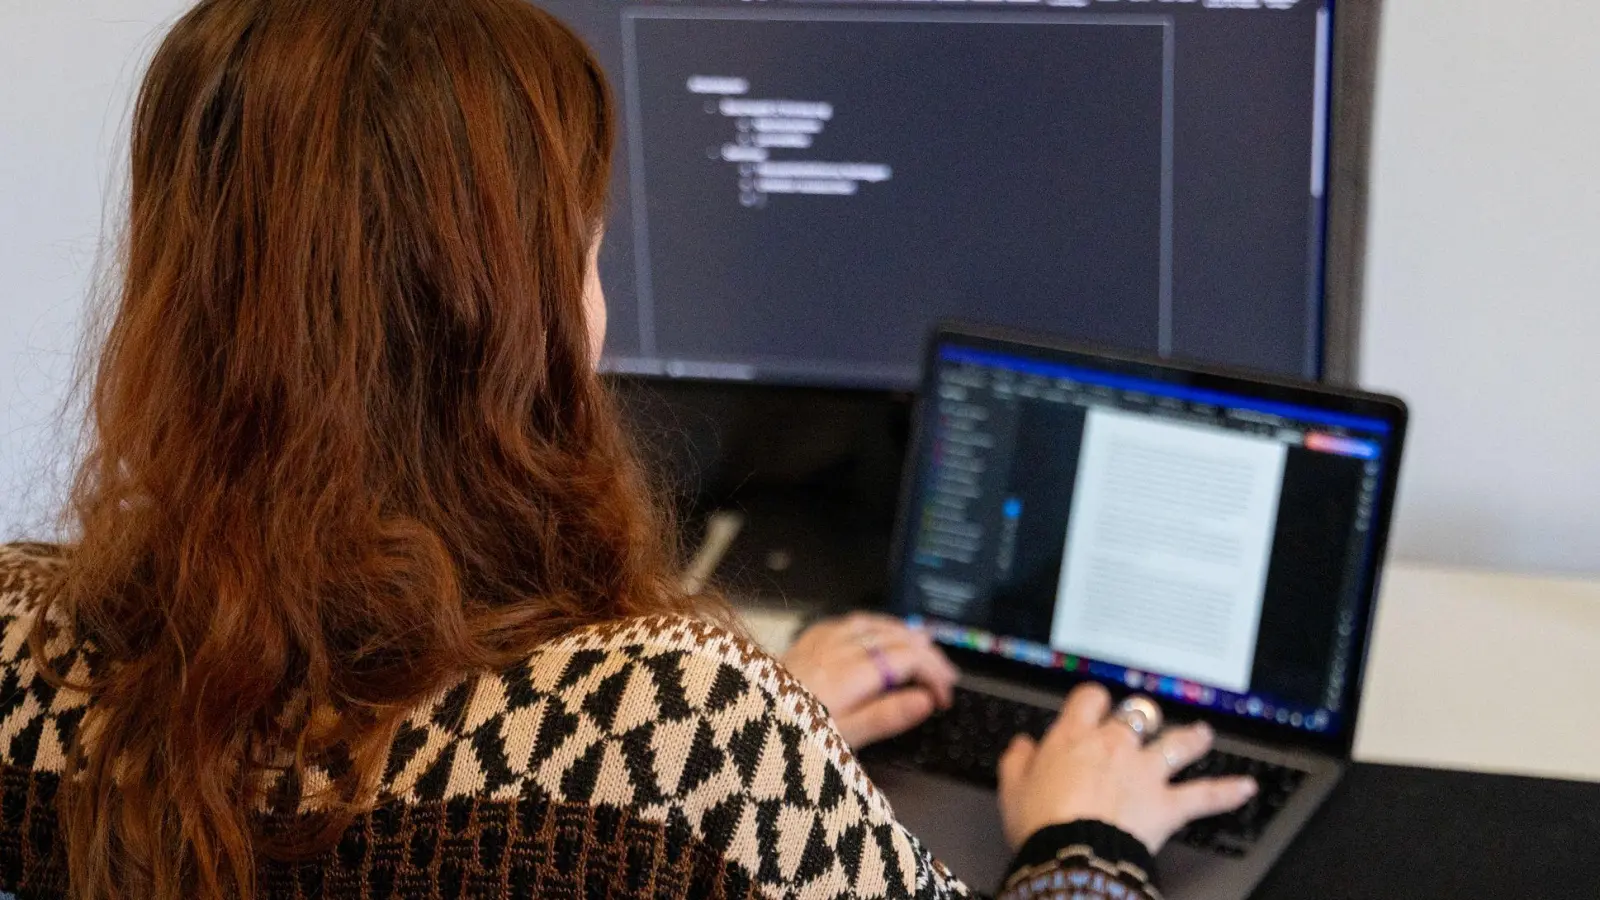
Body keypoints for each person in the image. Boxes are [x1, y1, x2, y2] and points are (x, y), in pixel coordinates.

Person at [0, 1, 1255, 898]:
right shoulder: (683, 722)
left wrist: (750, 761)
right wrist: (1088, 840)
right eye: (587, 251)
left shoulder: (14, 649)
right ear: (514, 324)